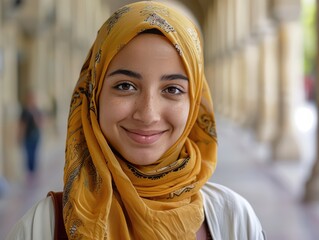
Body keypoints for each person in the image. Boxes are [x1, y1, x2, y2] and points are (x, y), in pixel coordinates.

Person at [6, 1, 266, 239]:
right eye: (125, 86)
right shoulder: (42, 229)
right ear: (93, 95)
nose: (148, 114)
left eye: (172, 89)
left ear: (195, 102)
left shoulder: (234, 221)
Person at [18, 91, 42, 176]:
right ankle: (30, 174)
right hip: (27, 137)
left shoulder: (37, 110)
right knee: (29, 155)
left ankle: (33, 173)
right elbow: (22, 125)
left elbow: (40, 124)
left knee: (34, 155)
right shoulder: (24, 111)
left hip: (35, 136)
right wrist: (20, 136)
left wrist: (34, 114)